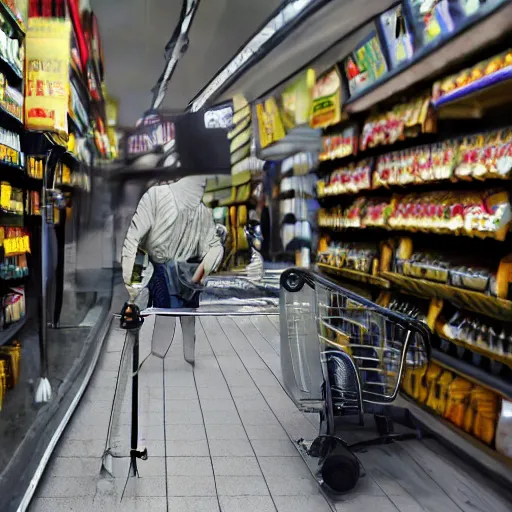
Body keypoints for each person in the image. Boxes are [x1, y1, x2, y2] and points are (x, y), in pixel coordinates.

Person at [121, 175, 224, 362]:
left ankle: (170, 356)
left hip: (175, 271)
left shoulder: (200, 211)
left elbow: (133, 239)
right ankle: (177, 357)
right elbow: (214, 247)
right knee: (176, 316)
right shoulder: (161, 198)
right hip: (179, 272)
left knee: (172, 315)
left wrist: (131, 287)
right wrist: (200, 274)